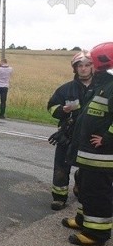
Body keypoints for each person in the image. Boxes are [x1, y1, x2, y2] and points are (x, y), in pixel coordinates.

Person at [63, 42, 113, 246]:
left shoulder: (110, 86)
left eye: (92, 61)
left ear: (101, 61)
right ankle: (84, 220)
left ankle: (96, 233)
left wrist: (108, 137)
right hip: (89, 154)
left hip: (101, 155)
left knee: (97, 192)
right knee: (85, 186)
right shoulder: (101, 84)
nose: (88, 64)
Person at [46, 51, 93, 211]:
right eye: (80, 66)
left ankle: (80, 186)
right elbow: (51, 107)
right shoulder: (65, 89)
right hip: (67, 134)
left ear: (93, 67)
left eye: (87, 65)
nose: (84, 69)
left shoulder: (101, 89)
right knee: (61, 165)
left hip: (90, 136)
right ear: (75, 68)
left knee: (87, 167)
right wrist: (62, 110)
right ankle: (59, 197)